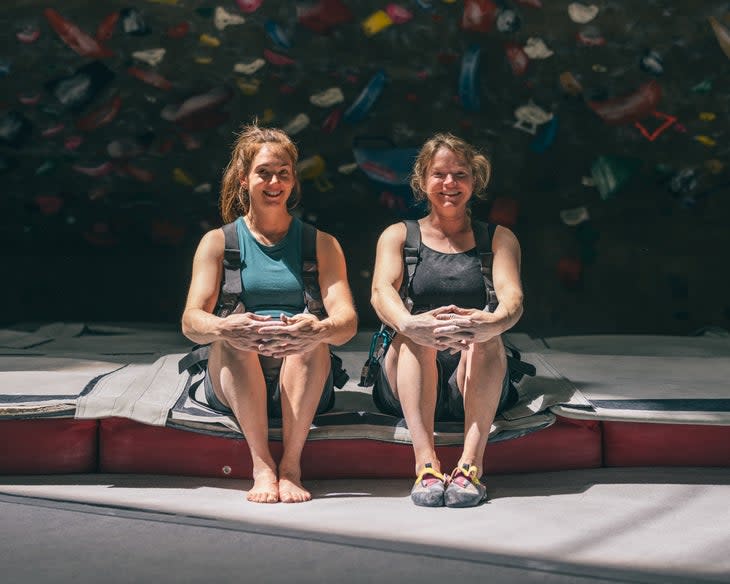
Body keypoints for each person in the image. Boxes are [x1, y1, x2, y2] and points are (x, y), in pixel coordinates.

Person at [182, 123, 357, 504]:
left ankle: (291, 466)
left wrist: (319, 327)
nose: (274, 181)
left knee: (313, 342)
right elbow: (192, 321)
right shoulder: (218, 242)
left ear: (293, 182)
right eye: (264, 173)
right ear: (244, 179)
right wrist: (225, 326)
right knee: (234, 340)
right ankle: (262, 465)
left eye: (283, 173)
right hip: (234, 377)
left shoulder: (321, 243)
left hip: (304, 377)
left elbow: (346, 324)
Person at [370, 133, 524, 507]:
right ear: (423, 180)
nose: (450, 184)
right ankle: (426, 466)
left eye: (460, 174)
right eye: (439, 174)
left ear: (475, 181)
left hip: (474, 379)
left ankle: (470, 466)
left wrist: (489, 323)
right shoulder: (399, 235)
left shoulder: (498, 238)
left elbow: (513, 299)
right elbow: (380, 293)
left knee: (488, 334)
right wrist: (411, 325)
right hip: (405, 380)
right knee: (414, 334)